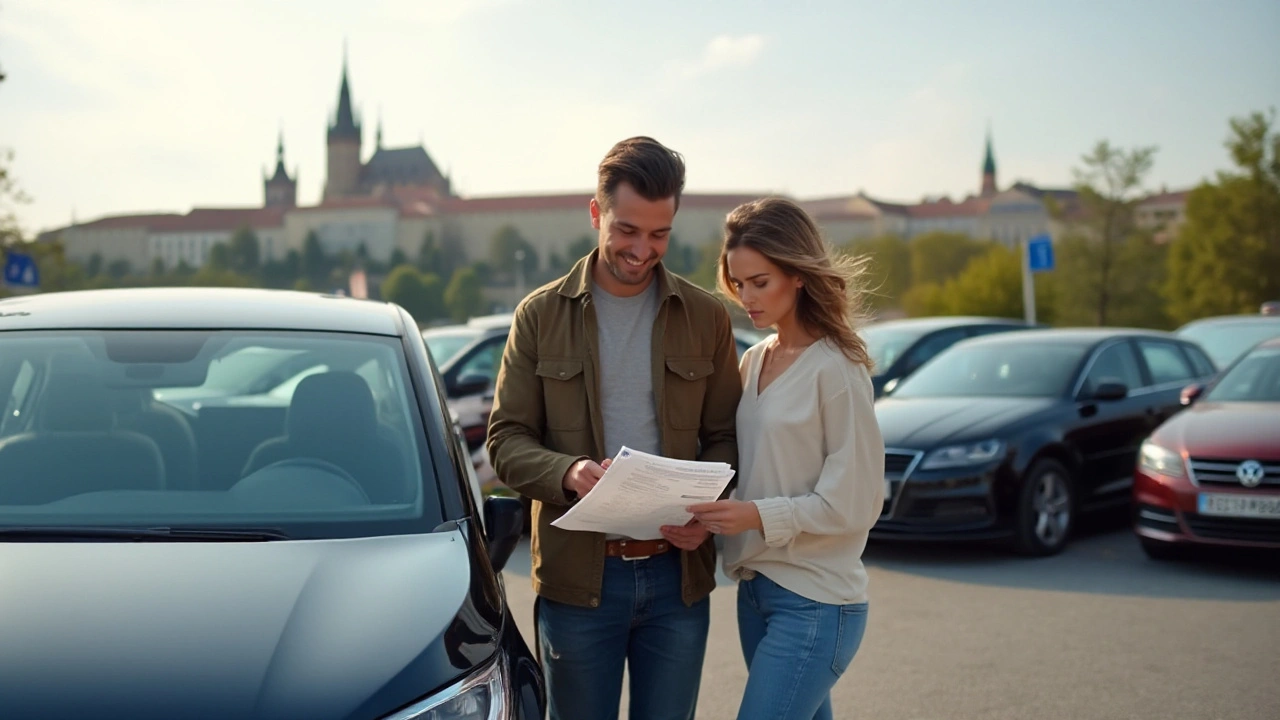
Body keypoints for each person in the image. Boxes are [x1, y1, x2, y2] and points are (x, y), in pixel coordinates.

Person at [486, 136, 741, 720]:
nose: (642, 249)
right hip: (578, 584)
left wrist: (710, 510)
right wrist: (569, 471)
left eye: (659, 234)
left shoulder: (706, 318)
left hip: (678, 581)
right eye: (627, 230)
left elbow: (725, 438)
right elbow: (506, 441)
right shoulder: (540, 315)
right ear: (596, 212)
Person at [688, 196, 885, 720]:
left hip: (816, 602)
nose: (746, 297)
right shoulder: (753, 360)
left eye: (761, 281)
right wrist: (710, 518)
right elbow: (758, 471)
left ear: (797, 275)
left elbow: (855, 504)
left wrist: (753, 515)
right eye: (738, 283)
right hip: (756, 593)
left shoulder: (837, 370)